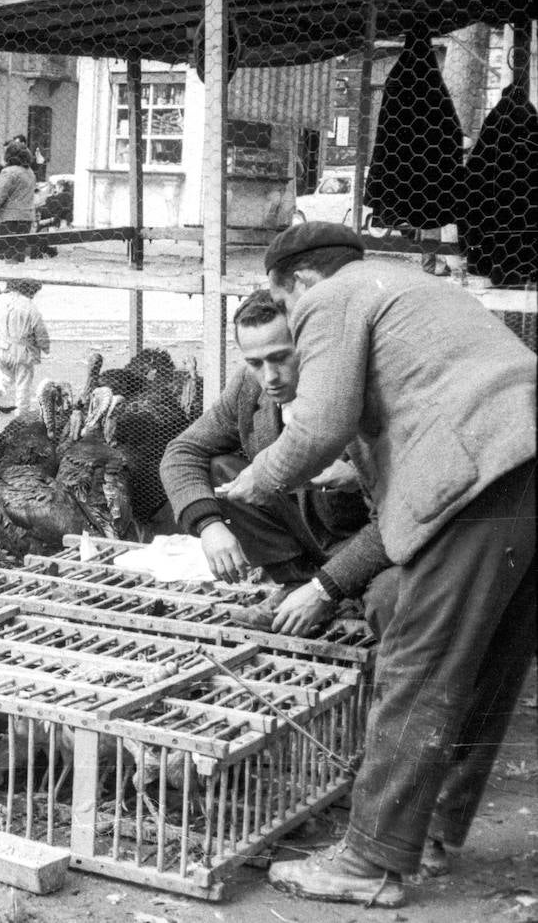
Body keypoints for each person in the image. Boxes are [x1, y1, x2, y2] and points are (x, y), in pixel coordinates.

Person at [217, 223, 536, 909]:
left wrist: (260, 478)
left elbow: (324, 419)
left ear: (298, 282)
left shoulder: (332, 298)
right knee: (487, 663)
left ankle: (368, 861)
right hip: (525, 451)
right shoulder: (408, 286)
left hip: (483, 468)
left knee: (416, 666)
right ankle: (428, 836)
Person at [159, 290, 394, 635]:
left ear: (307, 345)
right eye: (255, 363)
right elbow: (182, 452)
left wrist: (359, 476)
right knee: (223, 471)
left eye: (281, 358)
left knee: (391, 598)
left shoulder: (355, 389)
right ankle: (295, 585)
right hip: (307, 537)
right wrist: (209, 525)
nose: (269, 377)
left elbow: (401, 517)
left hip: (366, 544)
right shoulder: (248, 389)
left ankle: (333, 595)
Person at [0, 279, 49, 413]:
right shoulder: (29, 306)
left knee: (4, 377)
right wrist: (45, 346)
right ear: (28, 290)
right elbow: (40, 330)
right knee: (23, 384)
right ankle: (21, 413)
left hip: (1, 348)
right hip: (21, 353)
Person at [0, 142, 37, 262]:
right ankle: (17, 280)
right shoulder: (30, 172)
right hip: (26, 219)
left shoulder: (8, 172)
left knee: (8, 257)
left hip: (10, 220)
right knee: (19, 256)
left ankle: (10, 279)